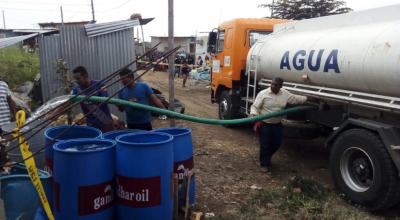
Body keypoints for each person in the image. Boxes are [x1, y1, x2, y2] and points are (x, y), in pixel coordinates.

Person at [250, 77, 309, 172]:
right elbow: (255, 107)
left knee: (277, 143)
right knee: (265, 144)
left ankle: (266, 157)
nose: (273, 86)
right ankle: (264, 164)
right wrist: (254, 116)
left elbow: (295, 99)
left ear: (280, 86)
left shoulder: (284, 94)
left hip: (277, 124)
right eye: (272, 84)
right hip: (265, 124)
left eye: (275, 85)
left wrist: (307, 98)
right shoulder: (263, 94)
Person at [72, 66, 114, 132]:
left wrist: (92, 98)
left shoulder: (99, 84)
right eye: (75, 79)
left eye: (78, 78)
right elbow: (69, 102)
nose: (76, 81)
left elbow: (105, 100)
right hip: (91, 124)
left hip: (105, 122)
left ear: (85, 76)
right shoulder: (77, 90)